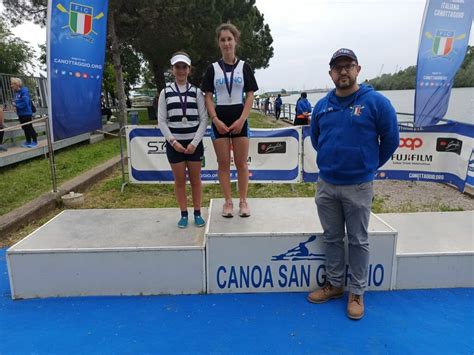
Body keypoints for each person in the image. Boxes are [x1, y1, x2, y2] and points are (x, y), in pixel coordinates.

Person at [307, 48, 399, 320]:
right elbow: (316, 139)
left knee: (358, 240)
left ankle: (357, 292)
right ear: (331, 73)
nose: (343, 71)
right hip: (327, 185)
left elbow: (391, 140)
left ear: (358, 69)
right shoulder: (323, 105)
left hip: (359, 186)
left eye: (348, 66)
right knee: (332, 238)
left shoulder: (376, 103)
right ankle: (334, 285)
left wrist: (367, 166)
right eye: (338, 67)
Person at [202, 23, 258, 218]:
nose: (226, 43)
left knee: (242, 163)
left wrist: (243, 119)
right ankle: (228, 202)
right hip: (220, 121)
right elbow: (208, 97)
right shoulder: (212, 69)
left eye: (229, 39)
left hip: (239, 120)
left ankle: (243, 201)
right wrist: (215, 119)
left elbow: (250, 95)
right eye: (223, 40)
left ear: (236, 41)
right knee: (223, 163)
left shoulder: (244, 67)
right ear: (219, 43)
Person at [158, 52, 208, 228]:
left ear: (189, 69)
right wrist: (173, 142)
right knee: (179, 182)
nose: (181, 70)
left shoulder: (197, 92)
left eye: (184, 67)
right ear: (172, 69)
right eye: (177, 67)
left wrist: (194, 143)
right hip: (175, 145)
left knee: (196, 181)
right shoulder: (165, 93)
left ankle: (197, 213)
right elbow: (162, 121)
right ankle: (184, 214)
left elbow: (203, 120)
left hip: (194, 144)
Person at [10, 77, 37, 148]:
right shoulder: (15, 93)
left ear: (17, 84)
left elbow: (25, 103)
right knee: (24, 128)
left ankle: (35, 141)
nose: (11, 86)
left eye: (12, 84)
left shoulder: (24, 91)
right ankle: (28, 141)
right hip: (20, 113)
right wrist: (14, 105)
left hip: (26, 113)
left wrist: (17, 105)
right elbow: (16, 101)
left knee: (29, 127)